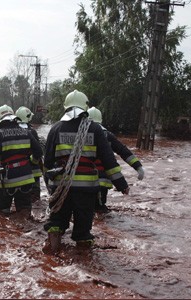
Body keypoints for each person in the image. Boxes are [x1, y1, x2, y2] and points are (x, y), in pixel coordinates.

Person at [43, 90, 129, 253]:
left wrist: (49, 184)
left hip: (61, 187)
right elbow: (108, 160)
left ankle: (53, 253)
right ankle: (84, 260)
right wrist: (121, 184)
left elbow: (47, 162)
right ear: (85, 107)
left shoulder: (56, 129)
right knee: (83, 228)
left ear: (66, 107)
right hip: (86, 189)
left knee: (56, 221)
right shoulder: (95, 129)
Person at [0, 104, 43, 218]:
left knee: (1, 213)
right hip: (26, 179)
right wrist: (32, 161)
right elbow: (39, 151)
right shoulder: (27, 132)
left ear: (0, 119)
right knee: (24, 213)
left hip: (7, 180)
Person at [88, 106, 144, 213]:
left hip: (79, 183)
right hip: (101, 182)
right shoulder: (107, 135)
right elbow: (123, 152)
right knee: (99, 210)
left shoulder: (80, 135)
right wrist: (138, 167)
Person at [15, 106, 43, 203]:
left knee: (20, 200)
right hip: (33, 171)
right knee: (35, 200)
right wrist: (34, 161)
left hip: (18, 172)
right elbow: (38, 152)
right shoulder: (32, 132)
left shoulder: (12, 131)